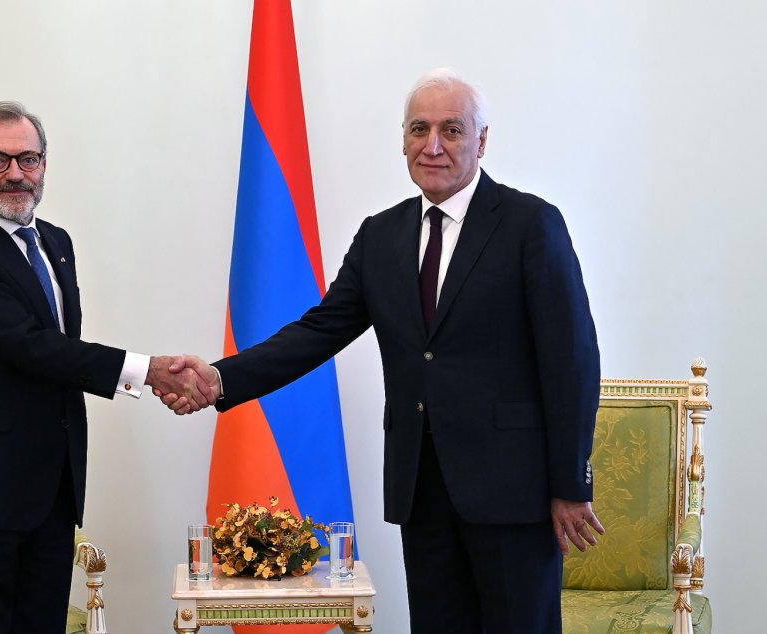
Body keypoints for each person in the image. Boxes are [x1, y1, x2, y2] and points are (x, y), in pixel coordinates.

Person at [163, 69, 604, 632]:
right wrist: (221, 379)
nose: (433, 145)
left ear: (482, 141)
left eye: (451, 130)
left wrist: (570, 485)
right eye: (419, 129)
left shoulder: (531, 225)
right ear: (403, 140)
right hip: (421, 490)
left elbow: (572, 362)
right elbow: (317, 332)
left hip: (514, 494)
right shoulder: (381, 236)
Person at [0, 101, 216, 633]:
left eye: (28, 159)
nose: (15, 174)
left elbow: (59, 357)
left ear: (44, 164)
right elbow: (31, 347)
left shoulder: (57, 243)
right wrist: (147, 371)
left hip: (51, 494)